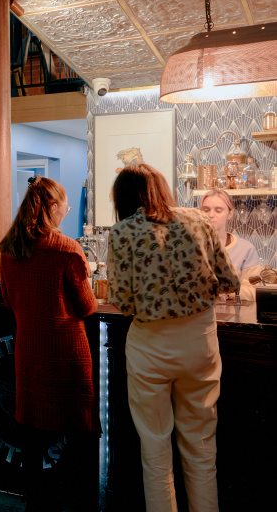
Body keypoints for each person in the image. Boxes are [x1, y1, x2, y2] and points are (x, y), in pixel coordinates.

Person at [107, 164, 239, 512]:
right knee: (201, 445)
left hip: (150, 345)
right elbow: (229, 280)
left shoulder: (123, 232)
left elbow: (121, 300)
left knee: (154, 448)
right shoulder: (199, 220)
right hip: (200, 341)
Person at [0, 175, 98, 512]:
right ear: (52, 207)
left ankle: (36, 501)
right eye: (64, 208)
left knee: (32, 435)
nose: (66, 213)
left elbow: (8, 301)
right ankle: (72, 499)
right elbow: (87, 307)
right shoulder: (68, 249)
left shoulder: (9, 249)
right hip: (66, 354)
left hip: (28, 353)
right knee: (77, 432)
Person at [199, 189, 262, 302]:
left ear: (230, 214)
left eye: (218, 210)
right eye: (206, 210)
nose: (211, 215)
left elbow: (254, 289)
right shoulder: (191, 247)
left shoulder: (246, 249)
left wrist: (227, 292)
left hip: (234, 312)